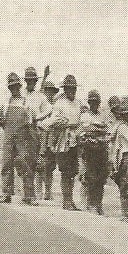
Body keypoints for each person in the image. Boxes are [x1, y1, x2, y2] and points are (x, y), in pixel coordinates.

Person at [0, 72, 35, 204]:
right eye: (11, 87)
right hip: (8, 138)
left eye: (16, 86)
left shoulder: (26, 103)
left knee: (25, 164)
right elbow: (1, 121)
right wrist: (8, 132)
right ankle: (6, 194)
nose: (14, 89)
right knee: (6, 164)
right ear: (9, 88)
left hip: (23, 139)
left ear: (19, 86)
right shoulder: (5, 103)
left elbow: (30, 123)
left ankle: (29, 195)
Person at [46, 74, 83, 210]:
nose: (71, 91)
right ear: (64, 89)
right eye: (68, 89)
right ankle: (66, 200)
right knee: (65, 170)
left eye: (73, 89)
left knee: (72, 171)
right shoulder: (59, 103)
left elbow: (81, 119)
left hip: (75, 138)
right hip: (62, 139)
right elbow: (54, 121)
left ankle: (70, 200)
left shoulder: (78, 103)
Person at [78, 90, 113, 214]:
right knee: (90, 176)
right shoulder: (85, 115)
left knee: (101, 177)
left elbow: (107, 129)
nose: (94, 104)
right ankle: (90, 203)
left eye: (96, 102)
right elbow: (87, 128)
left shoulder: (102, 115)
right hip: (89, 149)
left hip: (101, 148)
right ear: (89, 103)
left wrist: (98, 128)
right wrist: (99, 128)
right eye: (92, 102)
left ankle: (98, 203)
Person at [24, 66, 54, 199]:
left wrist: (38, 118)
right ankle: (29, 192)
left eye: (33, 80)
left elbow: (49, 109)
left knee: (41, 163)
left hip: (39, 132)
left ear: (35, 81)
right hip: (23, 132)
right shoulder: (20, 94)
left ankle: (41, 192)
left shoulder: (40, 97)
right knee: (24, 162)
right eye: (28, 80)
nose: (31, 82)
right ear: (26, 81)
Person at [35, 79, 60, 199]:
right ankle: (39, 192)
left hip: (53, 138)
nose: (49, 94)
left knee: (50, 167)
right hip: (41, 137)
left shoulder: (55, 106)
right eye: (47, 91)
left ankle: (48, 193)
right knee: (39, 166)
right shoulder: (41, 105)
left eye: (51, 92)